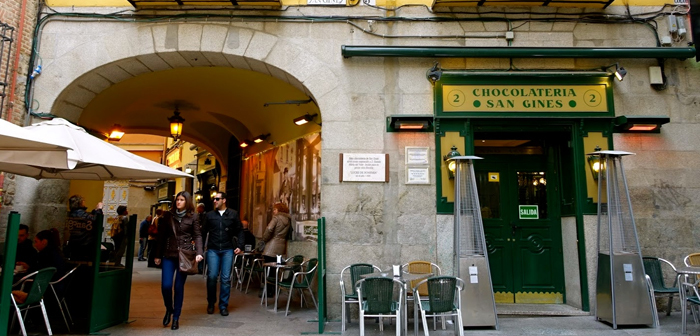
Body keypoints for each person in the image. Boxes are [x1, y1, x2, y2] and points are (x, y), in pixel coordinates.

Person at [155, 191, 204, 330]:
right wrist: (157, 255)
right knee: (166, 285)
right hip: (169, 254)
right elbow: (161, 236)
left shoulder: (193, 216)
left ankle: (176, 317)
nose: (178, 202)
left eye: (182, 200)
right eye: (177, 200)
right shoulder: (168, 216)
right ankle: (168, 308)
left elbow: (198, 235)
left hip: (185, 256)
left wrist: (199, 253)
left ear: (187, 202)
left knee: (178, 287)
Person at [201, 192, 244, 316]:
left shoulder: (233, 214)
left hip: (227, 250)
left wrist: (240, 246)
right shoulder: (209, 215)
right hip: (213, 249)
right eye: (214, 199)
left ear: (224, 200)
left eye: (217, 199)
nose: (215, 201)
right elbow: (203, 232)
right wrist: (199, 250)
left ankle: (223, 305)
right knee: (212, 276)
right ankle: (211, 302)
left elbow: (240, 230)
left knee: (225, 279)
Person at [261, 202, 292, 297]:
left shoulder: (276, 218)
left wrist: (264, 239)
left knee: (268, 270)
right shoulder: (288, 220)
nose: (273, 211)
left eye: (275, 209)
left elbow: (269, 229)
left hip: (271, 246)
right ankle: (273, 290)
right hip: (281, 246)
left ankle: (267, 291)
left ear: (279, 210)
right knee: (275, 271)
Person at [66, 195, 103, 261]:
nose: (84, 202)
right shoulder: (79, 213)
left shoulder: (73, 213)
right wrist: (99, 209)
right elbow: (94, 221)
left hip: (75, 244)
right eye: (83, 201)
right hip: (84, 244)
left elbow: (87, 219)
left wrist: (95, 210)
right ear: (79, 202)